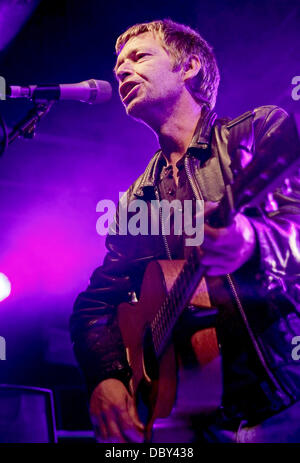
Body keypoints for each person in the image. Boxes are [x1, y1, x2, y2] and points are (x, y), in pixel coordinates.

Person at [70, 19, 300, 443]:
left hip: (288, 399)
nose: (121, 71)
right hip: (195, 423)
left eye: (139, 57)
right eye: (118, 64)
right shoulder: (138, 199)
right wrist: (106, 376)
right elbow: (95, 306)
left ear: (189, 66)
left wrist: (253, 240)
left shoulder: (256, 132)